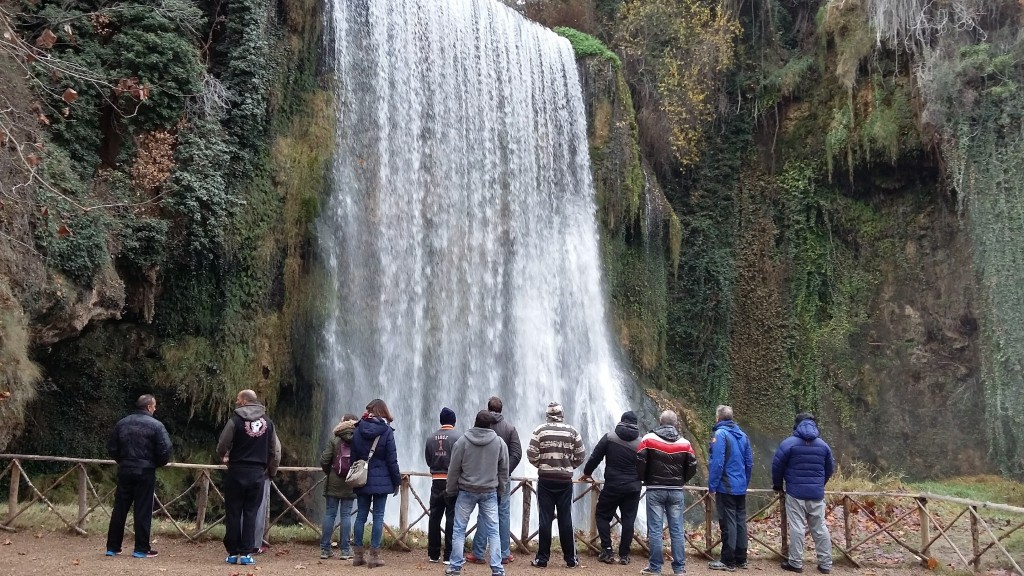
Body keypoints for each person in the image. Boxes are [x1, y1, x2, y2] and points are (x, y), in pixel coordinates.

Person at [217, 389, 282, 566]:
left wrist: (223, 456)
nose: (236, 401)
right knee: (251, 513)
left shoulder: (235, 421)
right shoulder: (268, 423)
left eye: (238, 399)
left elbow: (222, 443)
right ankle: (246, 553)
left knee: (233, 512)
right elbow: (274, 450)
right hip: (257, 473)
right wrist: (270, 471)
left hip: (236, 471)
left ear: (245, 401)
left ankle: (232, 553)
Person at [105, 394, 172, 558]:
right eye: (154, 406)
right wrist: (155, 463)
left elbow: (112, 447)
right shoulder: (156, 426)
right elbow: (165, 450)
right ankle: (141, 548)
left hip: (125, 469)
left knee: (120, 508)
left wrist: (123, 460)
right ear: (149, 407)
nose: (155, 409)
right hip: (145, 471)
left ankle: (113, 547)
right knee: (143, 509)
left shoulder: (122, 423)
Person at [444, 411, 510, 576]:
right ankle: (497, 569)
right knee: (493, 530)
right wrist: (501, 490)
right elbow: (504, 470)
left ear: (475, 422)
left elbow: (453, 469)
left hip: (466, 490)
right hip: (489, 491)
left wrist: (450, 491)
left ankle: (455, 567)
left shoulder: (462, 441)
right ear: (490, 425)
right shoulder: (499, 443)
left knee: (459, 529)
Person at [772, 412, 835, 574]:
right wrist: (820, 484)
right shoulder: (823, 445)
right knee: (820, 528)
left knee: (797, 527)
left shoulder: (789, 444)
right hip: (816, 493)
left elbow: (777, 466)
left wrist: (778, 485)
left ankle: (795, 562)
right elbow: (830, 469)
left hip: (795, 492)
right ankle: (826, 564)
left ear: (797, 425)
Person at [636, 410, 697, 576]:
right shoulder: (685, 443)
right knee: (677, 530)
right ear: (676, 423)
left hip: (655, 489)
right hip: (676, 491)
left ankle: (655, 568)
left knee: (655, 530)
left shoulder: (648, 439)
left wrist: (644, 478)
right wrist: (681, 479)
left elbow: (640, 460)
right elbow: (693, 464)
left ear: (660, 422)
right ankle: (679, 569)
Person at [526, 401, 586, 568]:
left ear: (547, 415)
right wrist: (568, 466)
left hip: (545, 480)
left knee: (545, 519)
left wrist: (542, 464)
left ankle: (542, 559)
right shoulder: (572, 431)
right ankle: (571, 560)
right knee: (566, 518)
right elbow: (581, 455)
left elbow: (531, 454)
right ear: (562, 415)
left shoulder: (539, 430)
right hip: (564, 481)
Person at [579, 410, 642, 565]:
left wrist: (587, 473)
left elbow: (595, 457)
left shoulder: (609, 437)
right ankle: (624, 555)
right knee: (628, 520)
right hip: (633, 487)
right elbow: (646, 465)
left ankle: (607, 550)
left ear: (621, 421)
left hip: (613, 485)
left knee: (602, 515)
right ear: (635, 425)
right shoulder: (641, 443)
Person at [468, 396, 521, 565]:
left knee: (484, 513)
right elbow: (516, 454)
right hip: (503, 479)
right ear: (501, 410)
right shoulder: (510, 428)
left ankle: (478, 552)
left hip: (484, 477)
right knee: (503, 514)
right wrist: (505, 473)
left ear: (488, 408)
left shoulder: (482, 425)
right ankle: (504, 554)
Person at [350, 398, 401, 569]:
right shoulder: (386, 431)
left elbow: (353, 457)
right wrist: (396, 482)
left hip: (362, 479)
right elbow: (392, 460)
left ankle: (357, 556)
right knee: (378, 517)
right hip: (382, 480)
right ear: (384, 411)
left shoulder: (358, 429)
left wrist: (354, 475)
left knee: (360, 516)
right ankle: (374, 556)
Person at [708, 405, 754, 572]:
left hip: (726, 486)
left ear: (718, 418)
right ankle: (741, 558)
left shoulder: (720, 434)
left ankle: (728, 560)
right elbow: (749, 462)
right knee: (740, 521)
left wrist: (712, 485)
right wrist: (744, 482)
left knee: (728, 523)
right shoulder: (742, 435)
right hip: (740, 485)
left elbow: (717, 462)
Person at [319, 413, 359, 559]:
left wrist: (330, 471)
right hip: (351, 481)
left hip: (334, 481)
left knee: (330, 514)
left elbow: (324, 460)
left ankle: (325, 549)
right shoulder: (359, 439)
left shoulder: (335, 439)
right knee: (346, 515)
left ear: (342, 423)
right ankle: (345, 550)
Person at [425, 407, 462, 564]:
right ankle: (449, 554)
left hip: (436, 480)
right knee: (451, 516)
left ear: (441, 421)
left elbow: (428, 460)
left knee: (434, 516)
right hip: (452, 481)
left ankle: (433, 554)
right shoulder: (459, 437)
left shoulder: (430, 438)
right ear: (454, 421)